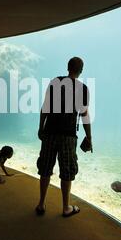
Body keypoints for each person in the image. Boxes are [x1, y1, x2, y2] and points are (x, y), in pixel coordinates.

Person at [35, 57, 92, 217]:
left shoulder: (55, 82)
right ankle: (66, 207)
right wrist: (89, 137)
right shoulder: (83, 89)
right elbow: (84, 114)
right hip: (68, 136)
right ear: (81, 70)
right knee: (67, 171)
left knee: (45, 168)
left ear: (68, 67)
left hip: (50, 133)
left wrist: (41, 128)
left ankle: (41, 204)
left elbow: (45, 107)